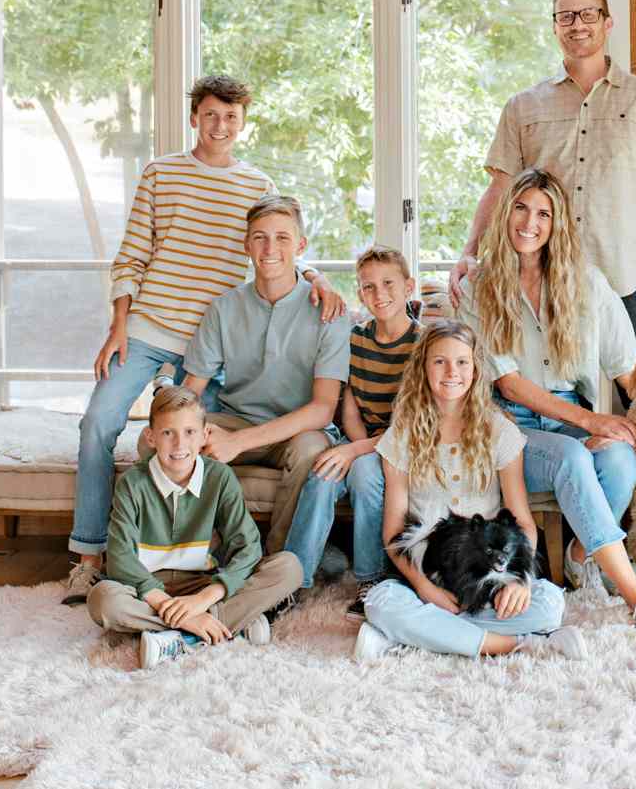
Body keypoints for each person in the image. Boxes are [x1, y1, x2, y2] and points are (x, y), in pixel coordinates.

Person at [64, 76, 347, 603]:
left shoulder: (256, 184)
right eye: (211, 114)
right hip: (148, 330)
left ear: (243, 122)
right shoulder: (161, 173)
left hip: (207, 346)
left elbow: (275, 242)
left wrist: (320, 279)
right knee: (98, 422)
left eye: (231, 117)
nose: (221, 125)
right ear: (195, 117)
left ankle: (214, 560)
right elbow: (130, 256)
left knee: (189, 445)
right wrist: (118, 327)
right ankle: (90, 556)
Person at [456, 167, 636, 630]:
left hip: (571, 414)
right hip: (508, 424)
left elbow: (628, 373)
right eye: (520, 207)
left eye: (543, 213)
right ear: (504, 213)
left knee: (620, 460)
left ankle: (579, 555)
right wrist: (592, 423)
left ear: (557, 225)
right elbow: (509, 384)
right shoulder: (477, 287)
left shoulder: (588, 283)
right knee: (574, 455)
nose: (529, 222)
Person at [448, 0, 636, 348]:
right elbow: (500, 188)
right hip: (540, 282)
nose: (577, 24)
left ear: (607, 23)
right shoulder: (523, 106)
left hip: (620, 281)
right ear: (554, 27)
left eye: (588, 14)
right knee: (543, 397)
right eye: (566, 17)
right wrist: (469, 252)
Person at [356, 321, 584, 661]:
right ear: (423, 368)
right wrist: (423, 587)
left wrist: (520, 582)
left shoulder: (499, 430)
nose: (452, 372)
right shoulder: (402, 434)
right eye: (439, 362)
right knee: (381, 603)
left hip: (487, 576)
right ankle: (520, 643)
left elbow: (521, 520)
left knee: (549, 603)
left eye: (462, 362)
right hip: (427, 572)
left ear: (476, 369)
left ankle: (409, 637)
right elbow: (393, 533)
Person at [173, 194, 350, 555]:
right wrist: (176, 429)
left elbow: (322, 409)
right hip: (236, 418)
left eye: (282, 238)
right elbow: (190, 392)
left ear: (300, 245)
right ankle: (201, 558)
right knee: (175, 443)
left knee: (313, 451)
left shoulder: (329, 312)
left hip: (299, 429)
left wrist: (239, 443)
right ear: (246, 245)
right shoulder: (223, 309)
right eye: (260, 237)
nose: (270, 248)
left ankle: (278, 563)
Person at [87, 385, 302, 670]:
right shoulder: (132, 483)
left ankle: (175, 637)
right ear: (150, 437)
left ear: (204, 436)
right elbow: (119, 557)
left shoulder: (220, 478)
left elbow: (248, 547)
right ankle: (215, 625)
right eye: (168, 433)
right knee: (103, 600)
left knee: (289, 567)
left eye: (189, 432)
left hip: (203, 583)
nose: (179, 445)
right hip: (148, 591)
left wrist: (204, 599)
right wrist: (177, 609)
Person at [283, 246, 420, 619]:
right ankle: (292, 578)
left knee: (362, 473)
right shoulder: (357, 339)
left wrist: (357, 451)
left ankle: (371, 580)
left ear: (408, 287)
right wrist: (352, 445)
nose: (379, 294)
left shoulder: (422, 345)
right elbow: (351, 405)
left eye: (388, 284)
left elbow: (415, 426)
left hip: (405, 444)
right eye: (369, 287)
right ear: (360, 293)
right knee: (323, 471)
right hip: (362, 440)